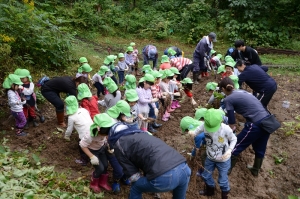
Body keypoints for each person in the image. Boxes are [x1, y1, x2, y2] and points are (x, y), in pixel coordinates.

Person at [97, 115, 191, 199]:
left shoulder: (119, 144)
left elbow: (133, 175)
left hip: (165, 177)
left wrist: (140, 180)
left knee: (136, 187)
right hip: (184, 168)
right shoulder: (141, 133)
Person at [219, 77, 271, 176]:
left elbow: (231, 121)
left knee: (235, 146)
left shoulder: (228, 99)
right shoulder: (242, 92)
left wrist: (228, 135)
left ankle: (227, 171)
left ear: (223, 89)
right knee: (260, 147)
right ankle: (255, 169)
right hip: (267, 121)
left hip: (255, 124)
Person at [189, 108, 237, 199]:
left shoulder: (226, 129)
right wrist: (193, 133)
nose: (211, 130)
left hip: (223, 159)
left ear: (221, 121)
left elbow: (234, 139)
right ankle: (210, 190)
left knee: (223, 179)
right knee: (206, 175)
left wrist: (230, 150)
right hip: (210, 157)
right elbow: (198, 130)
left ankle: (225, 194)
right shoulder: (204, 125)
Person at [79, 113, 113, 193]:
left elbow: (105, 137)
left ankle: (102, 182)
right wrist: (91, 157)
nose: (105, 135)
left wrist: (107, 146)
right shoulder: (90, 136)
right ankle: (93, 183)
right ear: (98, 129)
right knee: (100, 168)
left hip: (101, 149)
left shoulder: (105, 132)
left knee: (105, 165)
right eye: (105, 133)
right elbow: (82, 145)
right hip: (92, 151)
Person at [64, 95, 93, 165]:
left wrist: (66, 136)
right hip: (93, 131)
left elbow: (69, 129)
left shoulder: (71, 117)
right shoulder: (84, 110)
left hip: (85, 136)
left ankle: (84, 160)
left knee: (81, 145)